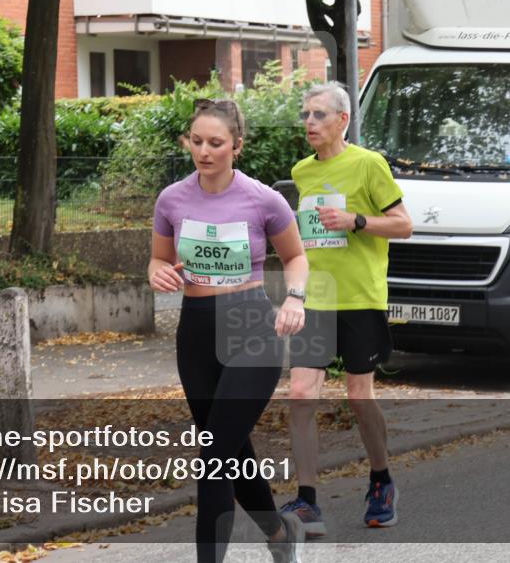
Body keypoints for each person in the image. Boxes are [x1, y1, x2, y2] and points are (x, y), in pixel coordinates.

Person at [149, 98, 309, 563]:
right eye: (196, 141)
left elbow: (296, 257)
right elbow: (158, 259)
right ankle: (279, 533)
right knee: (230, 452)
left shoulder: (263, 199)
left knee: (214, 458)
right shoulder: (172, 199)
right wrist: (157, 273)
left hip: (251, 330)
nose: (204, 151)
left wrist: (295, 299)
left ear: (236, 146)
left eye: (215, 143)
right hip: (196, 333)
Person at [280, 82, 413, 536]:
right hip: (316, 297)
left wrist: (356, 221)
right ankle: (308, 501)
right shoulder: (302, 172)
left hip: (359, 297)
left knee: (359, 396)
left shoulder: (369, 164)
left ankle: (381, 480)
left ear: (343, 120)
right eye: (305, 115)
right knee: (301, 394)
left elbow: (403, 225)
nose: (309, 123)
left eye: (318, 115)